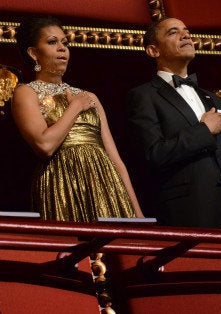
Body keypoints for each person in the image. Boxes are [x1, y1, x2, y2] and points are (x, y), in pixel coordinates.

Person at [125, 17, 221, 229]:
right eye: (173, 32)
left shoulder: (214, 99)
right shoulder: (144, 96)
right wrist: (203, 130)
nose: (185, 35)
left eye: (186, 31)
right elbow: (152, 154)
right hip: (188, 213)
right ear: (153, 51)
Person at [11, 17, 143, 222]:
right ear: (34, 53)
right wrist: (74, 107)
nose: (62, 48)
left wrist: (137, 213)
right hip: (63, 183)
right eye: (52, 42)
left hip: (105, 181)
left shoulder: (90, 97)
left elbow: (115, 159)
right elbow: (45, 145)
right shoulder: (26, 92)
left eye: (65, 43)